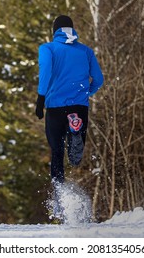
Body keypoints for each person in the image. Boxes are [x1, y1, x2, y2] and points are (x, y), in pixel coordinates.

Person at [35, 15, 104, 190]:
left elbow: (46, 72)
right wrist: (86, 92)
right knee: (75, 158)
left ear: (54, 31)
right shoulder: (86, 51)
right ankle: (75, 129)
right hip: (79, 106)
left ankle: (60, 192)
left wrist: (41, 98)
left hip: (55, 106)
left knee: (57, 151)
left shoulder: (47, 49)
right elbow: (98, 79)